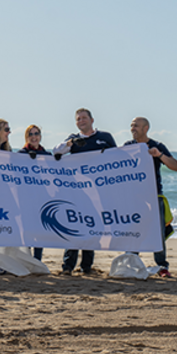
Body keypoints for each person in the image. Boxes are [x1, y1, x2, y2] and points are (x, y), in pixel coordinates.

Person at [52, 108, 117, 275]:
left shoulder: (105, 137)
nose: (81, 121)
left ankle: (87, 266)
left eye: (84, 118)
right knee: (74, 227)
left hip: (99, 191)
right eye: (78, 119)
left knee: (93, 228)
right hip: (78, 193)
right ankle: (68, 267)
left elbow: (118, 158)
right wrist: (70, 144)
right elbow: (56, 152)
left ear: (92, 120)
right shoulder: (73, 139)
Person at [124, 116, 177, 278]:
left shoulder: (157, 146)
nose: (133, 128)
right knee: (133, 230)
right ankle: (131, 263)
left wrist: (159, 155)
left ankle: (162, 266)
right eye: (131, 126)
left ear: (146, 128)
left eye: (136, 126)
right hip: (134, 198)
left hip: (154, 197)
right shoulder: (128, 147)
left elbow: (175, 166)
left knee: (158, 233)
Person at [17, 124, 51, 261]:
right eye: (30, 134)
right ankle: (27, 258)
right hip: (25, 198)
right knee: (27, 230)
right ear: (26, 137)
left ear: (40, 136)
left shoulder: (47, 155)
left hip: (42, 198)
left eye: (36, 133)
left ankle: (38, 260)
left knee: (40, 231)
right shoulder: (21, 154)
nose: (34, 137)